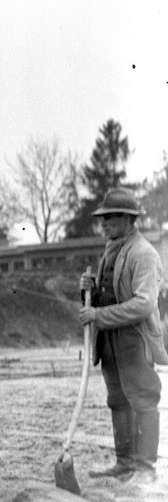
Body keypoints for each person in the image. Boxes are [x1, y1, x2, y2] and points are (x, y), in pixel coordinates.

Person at [78, 187, 167, 482]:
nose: (103, 223)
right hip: (110, 341)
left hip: (134, 340)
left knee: (142, 398)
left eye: (110, 217)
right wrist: (87, 290)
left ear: (129, 219)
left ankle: (145, 467)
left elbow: (144, 304)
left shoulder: (143, 253)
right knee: (117, 399)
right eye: (102, 218)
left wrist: (99, 316)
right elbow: (106, 295)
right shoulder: (111, 250)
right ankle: (124, 463)